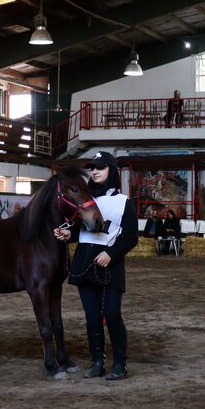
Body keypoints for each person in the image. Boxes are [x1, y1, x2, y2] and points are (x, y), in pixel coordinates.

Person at [54, 151, 138, 380]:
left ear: (111, 170)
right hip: (85, 263)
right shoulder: (84, 198)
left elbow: (131, 237)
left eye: (100, 168)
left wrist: (111, 254)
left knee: (112, 314)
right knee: (92, 317)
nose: (95, 172)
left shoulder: (124, 202)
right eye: (92, 168)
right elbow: (81, 229)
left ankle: (119, 364)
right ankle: (97, 361)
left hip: (110, 266)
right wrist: (68, 234)